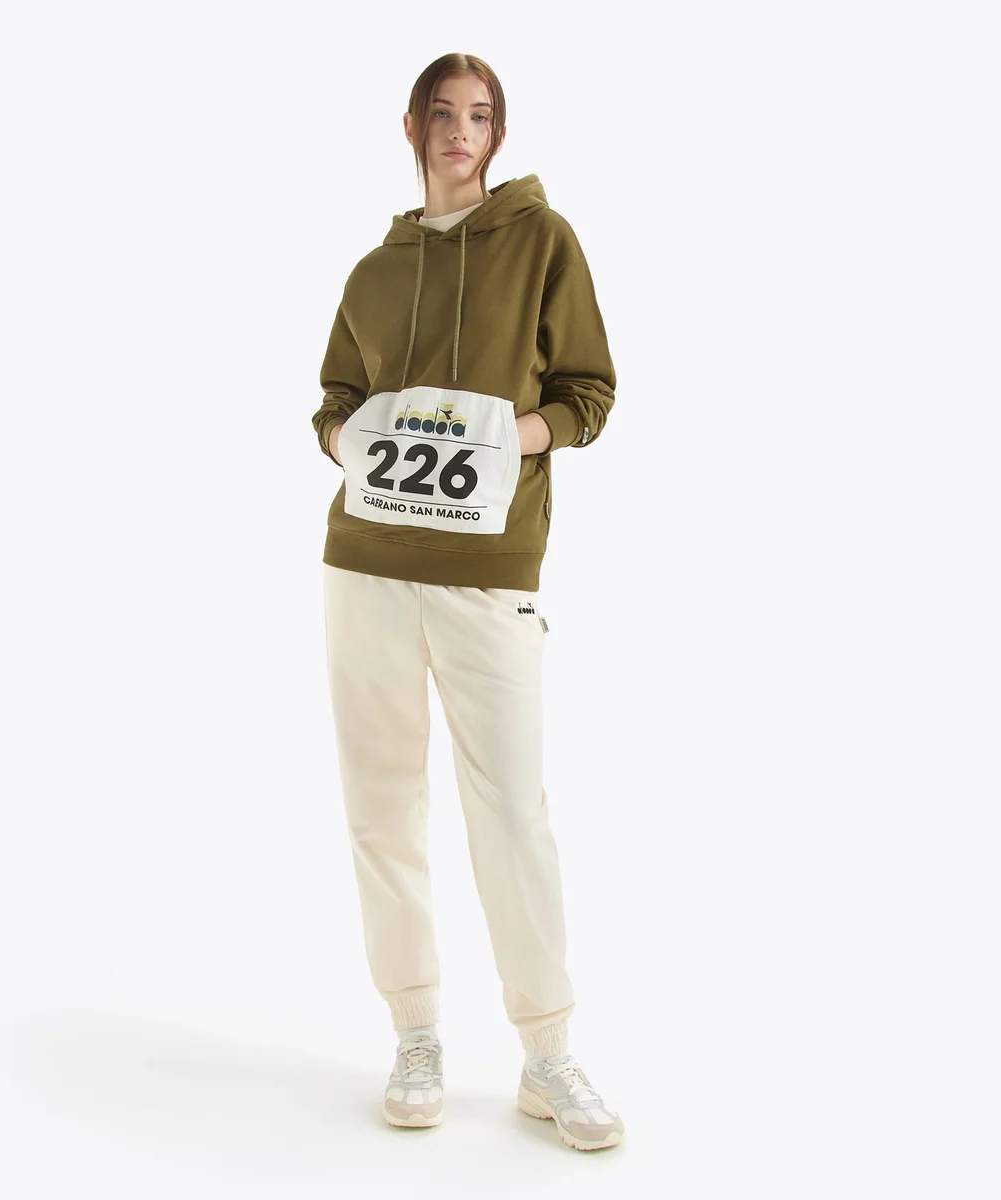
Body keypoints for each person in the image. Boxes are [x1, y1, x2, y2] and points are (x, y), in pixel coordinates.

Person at [311, 52, 623, 1152]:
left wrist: (505, 437)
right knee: (380, 805)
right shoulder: (373, 270)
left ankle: (547, 1053)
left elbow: (588, 391)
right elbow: (333, 400)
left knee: (511, 815)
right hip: (366, 565)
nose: (458, 131)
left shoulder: (542, 243)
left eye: (478, 115)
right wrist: (347, 440)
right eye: (441, 113)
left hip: (489, 574)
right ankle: (414, 1035)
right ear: (412, 126)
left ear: (497, 133)